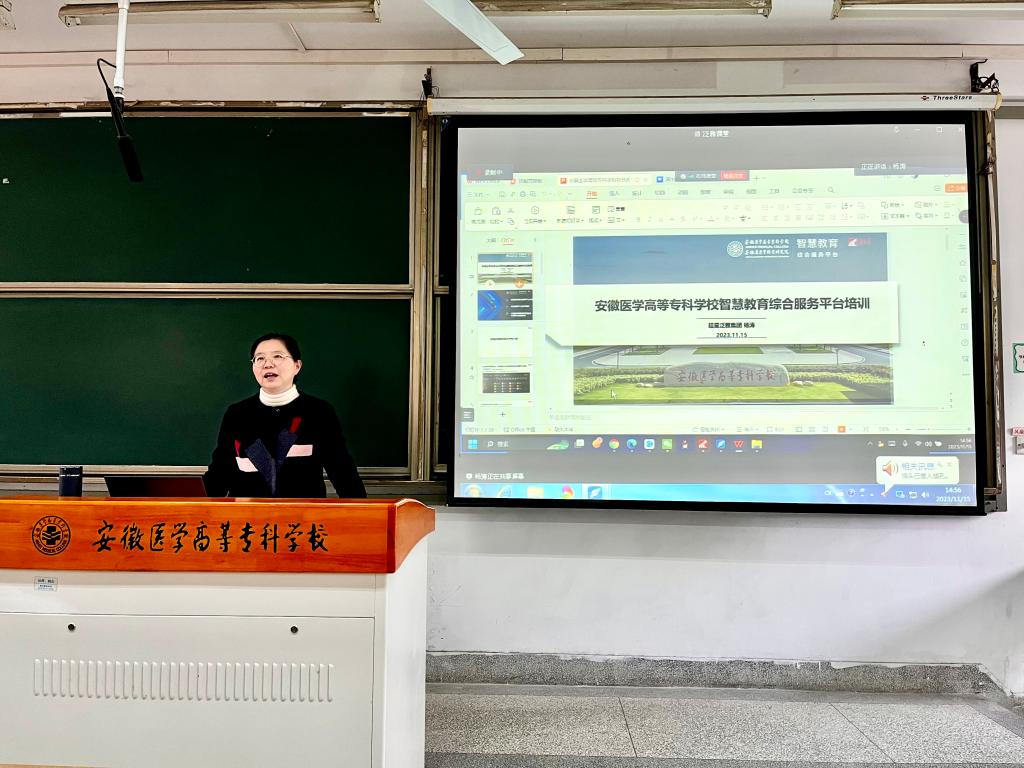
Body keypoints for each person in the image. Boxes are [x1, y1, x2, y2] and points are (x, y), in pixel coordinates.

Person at [203, 333, 366, 498]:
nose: (268, 364)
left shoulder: (318, 411)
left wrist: (362, 511)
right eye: (260, 358)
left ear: (297, 366)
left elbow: (342, 471)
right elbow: (220, 473)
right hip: (247, 513)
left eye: (278, 356)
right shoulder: (237, 414)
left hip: (303, 513)